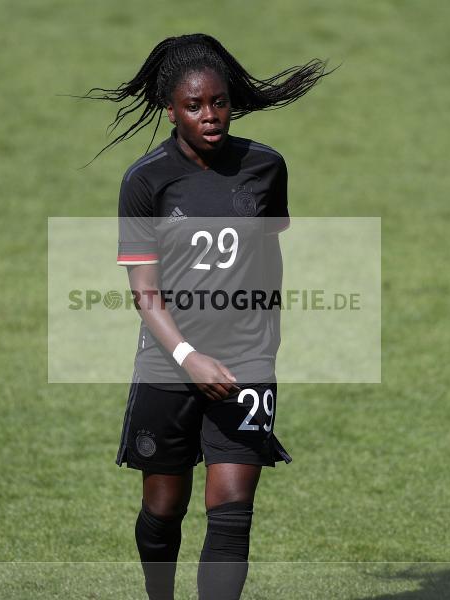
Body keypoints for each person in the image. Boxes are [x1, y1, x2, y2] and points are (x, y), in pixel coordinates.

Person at [85, 34, 332, 599]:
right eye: (194, 105)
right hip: (170, 361)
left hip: (245, 359)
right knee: (163, 509)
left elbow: (270, 253)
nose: (210, 115)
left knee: (231, 512)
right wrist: (187, 356)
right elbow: (143, 290)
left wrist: (265, 342)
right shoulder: (145, 181)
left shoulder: (266, 168)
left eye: (218, 102)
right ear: (170, 110)